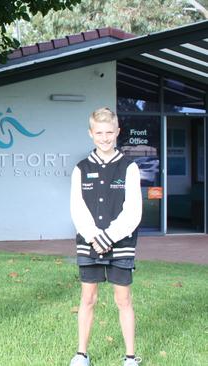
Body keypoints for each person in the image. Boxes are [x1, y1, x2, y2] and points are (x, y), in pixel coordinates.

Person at [69, 107, 142, 366]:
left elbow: (133, 211)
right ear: (91, 134)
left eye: (109, 132)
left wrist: (108, 237)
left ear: (117, 132)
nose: (104, 137)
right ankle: (81, 354)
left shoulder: (129, 167)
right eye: (99, 132)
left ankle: (130, 356)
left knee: (123, 299)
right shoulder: (81, 168)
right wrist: (93, 237)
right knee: (88, 298)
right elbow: (77, 209)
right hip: (89, 245)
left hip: (121, 245)